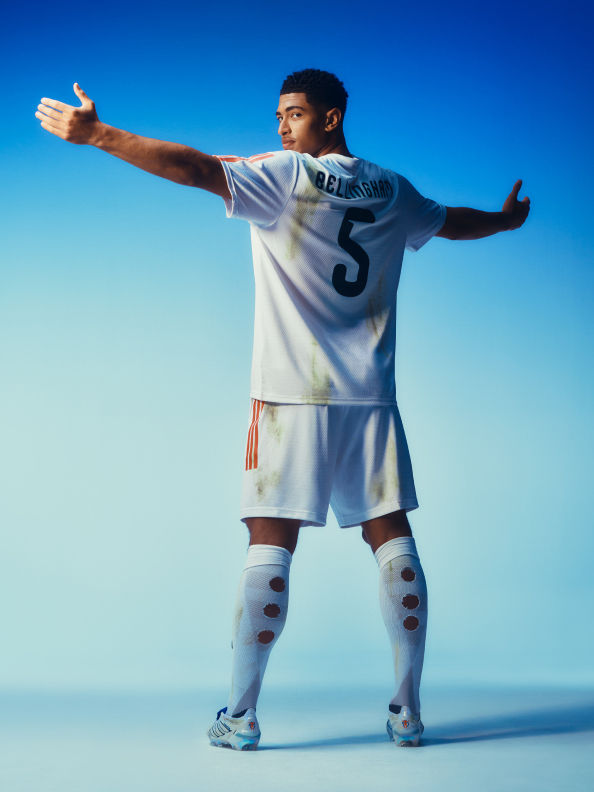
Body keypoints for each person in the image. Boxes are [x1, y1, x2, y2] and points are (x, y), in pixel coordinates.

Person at [36, 68, 530, 750]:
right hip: (371, 396)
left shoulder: (284, 178)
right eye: (278, 117)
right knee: (392, 537)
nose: (281, 127)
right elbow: (450, 222)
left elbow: (193, 168)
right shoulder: (390, 189)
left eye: (293, 114)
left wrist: (100, 135)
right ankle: (409, 712)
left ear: (331, 117)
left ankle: (240, 717)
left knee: (270, 540)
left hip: (288, 394)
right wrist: (506, 221)